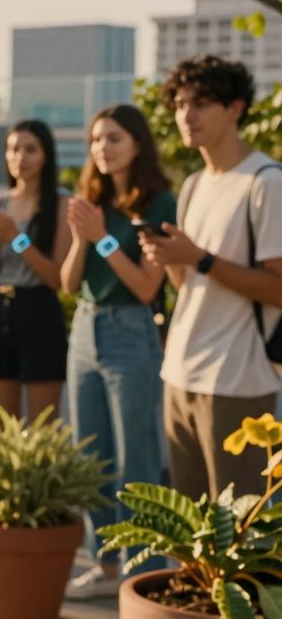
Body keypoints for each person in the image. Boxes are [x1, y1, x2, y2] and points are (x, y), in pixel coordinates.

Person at [142, 55, 281, 501]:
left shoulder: (265, 182)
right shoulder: (194, 184)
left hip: (238, 381)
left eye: (200, 103)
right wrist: (170, 258)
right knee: (190, 531)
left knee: (240, 538)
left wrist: (200, 259)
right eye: (181, 104)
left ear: (235, 109)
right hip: (180, 371)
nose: (187, 115)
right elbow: (189, 289)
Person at [61, 104, 175, 600]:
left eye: (113, 139)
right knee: (92, 457)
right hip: (83, 330)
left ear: (136, 144)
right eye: (96, 140)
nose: (102, 148)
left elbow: (149, 287)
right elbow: (68, 282)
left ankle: (142, 570)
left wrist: (103, 239)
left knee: (137, 458)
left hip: (131, 332)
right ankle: (106, 568)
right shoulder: (89, 202)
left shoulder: (158, 203)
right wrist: (83, 239)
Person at [0, 120, 71, 420]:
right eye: (14, 149)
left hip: (40, 310)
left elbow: (56, 277)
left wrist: (16, 238)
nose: (21, 157)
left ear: (46, 155)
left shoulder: (62, 203)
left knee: (43, 428)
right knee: (3, 426)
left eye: (30, 150)